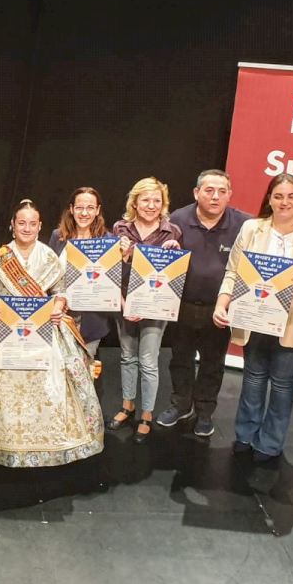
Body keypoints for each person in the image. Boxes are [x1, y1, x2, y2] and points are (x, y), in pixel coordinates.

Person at [213, 172, 293, 462]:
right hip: (255, 317)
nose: (285, 202)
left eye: (291, 196)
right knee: (253, 378)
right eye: (278, 196)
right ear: (269, 199)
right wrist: (222, 304)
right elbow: (233, 271)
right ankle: (245, 435)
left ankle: (270, 443)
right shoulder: (252, 228)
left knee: (283, 384)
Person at [0, 199, 103, 467]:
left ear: (40, 226)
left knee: (60, 366)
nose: (26, 228)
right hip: (4, 327)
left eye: (32, 224)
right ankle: (0, 441)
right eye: (21, 223)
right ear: (12, 225)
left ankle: (52, 441)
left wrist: (58, 308)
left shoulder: (49, 257)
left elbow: (60, 293)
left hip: (43, 326)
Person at [158, 169, 250, 438]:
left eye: (222, 191)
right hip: (182, 305)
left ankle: (205, 412)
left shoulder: (245, 225)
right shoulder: (177, 219)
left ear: (230, 195)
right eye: (209, 190)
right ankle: (180, 405)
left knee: (213, 363)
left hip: (219, 309)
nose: (215, 196)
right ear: (197, 193)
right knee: (180, 359)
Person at [109, 178, 182, 444]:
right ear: (135, 202)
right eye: (146, 200)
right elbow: (110, 268)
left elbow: (173, 275)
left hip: (154, 307)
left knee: (148, 361)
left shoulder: (171, 231)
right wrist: (120, 256)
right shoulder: (120, 228)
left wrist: (174, 253)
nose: (151, 206)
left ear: (163, 204)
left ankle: (147, 414)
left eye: (156, 201)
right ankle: (127, 405)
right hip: (124, 303)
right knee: (127, 356)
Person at [47, 187, 111, 358]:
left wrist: (124, 255)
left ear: (97, 210)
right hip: (60, 317)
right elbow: (49, 276)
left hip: (91, 322)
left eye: (90, 208)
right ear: (71, 209)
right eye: (79, 207)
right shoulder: (57, 237)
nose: (84, 213)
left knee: (85, 370)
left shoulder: (108, 241)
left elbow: (114, 281)